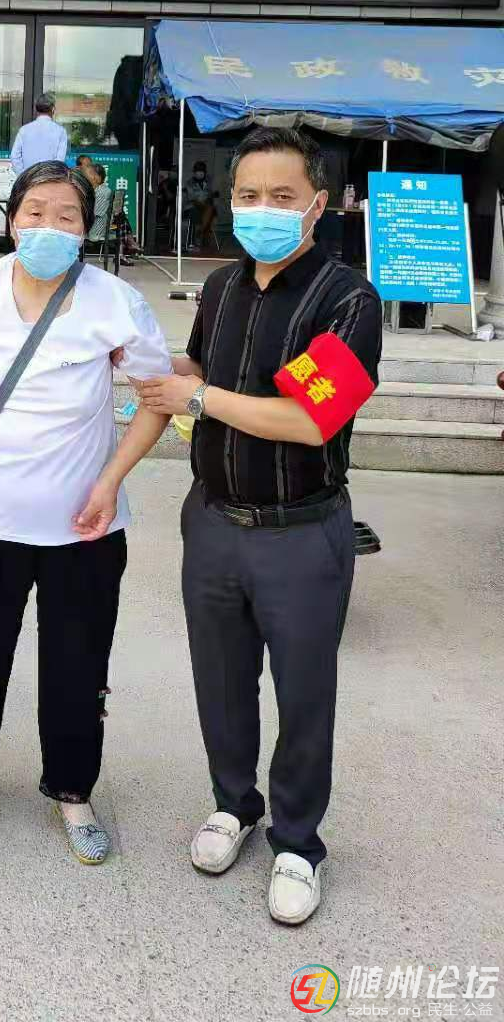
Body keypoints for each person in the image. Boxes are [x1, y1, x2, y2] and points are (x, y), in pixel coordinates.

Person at [0, 161, 174, 865]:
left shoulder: (115, 302)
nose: (49, 226)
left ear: (86, 228)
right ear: (12, 220)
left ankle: (73, 791)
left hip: (85, 528)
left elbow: (157, 399)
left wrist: (111, 479)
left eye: (67, 215)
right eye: (35, 212)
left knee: (78, 663)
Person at [133, 126, 382, 925]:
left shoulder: (346, 299)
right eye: (248, 195)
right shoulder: (221, 288)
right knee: (221, 677)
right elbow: (208, 373)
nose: (262, 209)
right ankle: (233, 804)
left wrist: (198, 398)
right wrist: (150, 364)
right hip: (212, 521)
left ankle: (299, 842)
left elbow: (312, 418)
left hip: (300, 531)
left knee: (304, 691)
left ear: (317, 204)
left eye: (282, 196)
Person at [10, 93, 68, 174]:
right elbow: (59, 161)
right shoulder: (60, 131)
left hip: (29, 178)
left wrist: (23, 175)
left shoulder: (24, 130)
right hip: (49, 178)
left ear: (36, 109)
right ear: (53, 109)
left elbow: (14, 156)